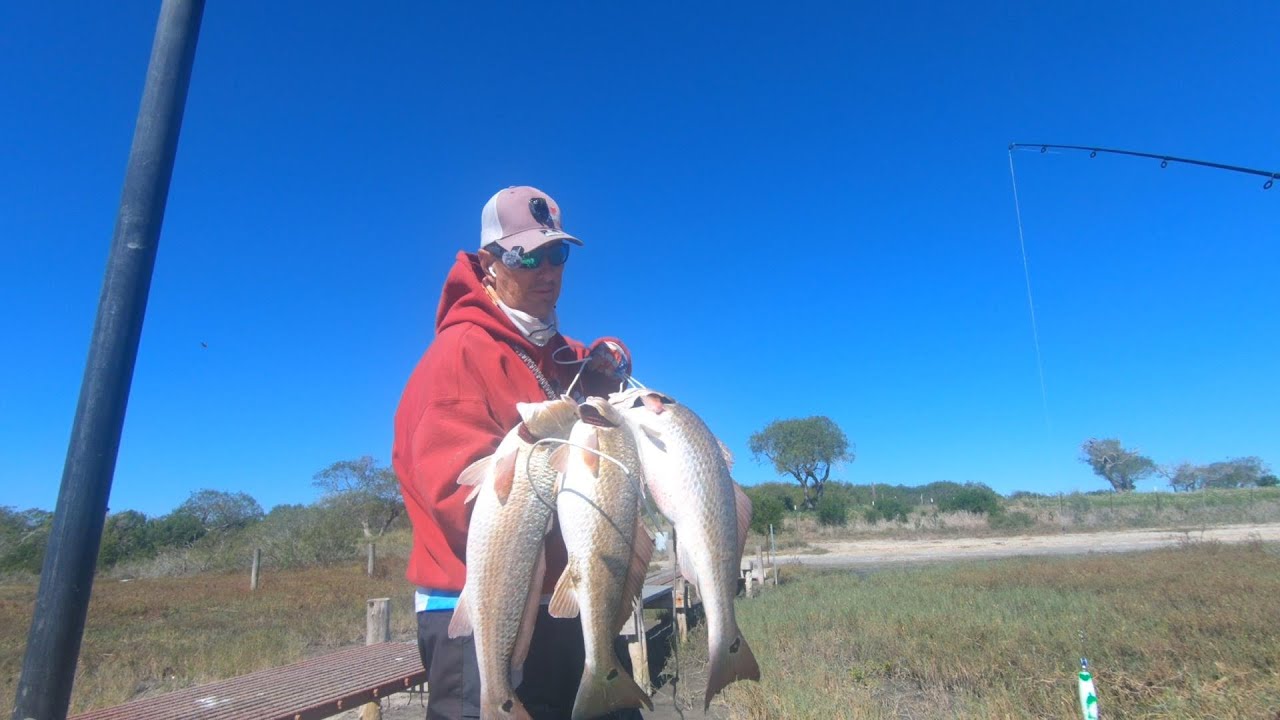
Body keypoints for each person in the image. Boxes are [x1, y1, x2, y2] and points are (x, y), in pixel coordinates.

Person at [392, 186, 638, 720]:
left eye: (558, 253)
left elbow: (584, 358)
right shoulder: (459, 355)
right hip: (478, 609)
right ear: (489, 264)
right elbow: (457, 500)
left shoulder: (551, 349)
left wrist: (612, 357)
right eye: (528, 256)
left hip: (567, 598)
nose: (547, 270)